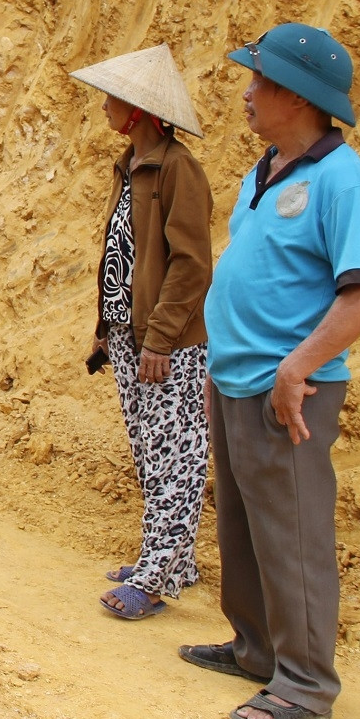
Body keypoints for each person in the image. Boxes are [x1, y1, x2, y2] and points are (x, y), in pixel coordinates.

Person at [181, 23, 360, 719]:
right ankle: (255, 648)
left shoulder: (340, 179)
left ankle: (302, 681)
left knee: (293, 530)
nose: (245, 93)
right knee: (242, 522)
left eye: (259, 81)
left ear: (297, 97)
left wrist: (297, 365)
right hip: (234, 376)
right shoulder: (264, 168)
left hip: (288, 389)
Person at [71, 44, 214, 621]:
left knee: (176, 449)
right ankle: (171, 559)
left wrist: (159, 337)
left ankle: (157, 575)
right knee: (150, 449)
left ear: (140, 112)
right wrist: (108, 329)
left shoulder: (178, 168)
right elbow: (122, 258)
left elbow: (190, 263)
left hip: (168, 340)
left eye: (114, 99)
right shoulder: (130, 166)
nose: (104, 107)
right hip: (131, 335)